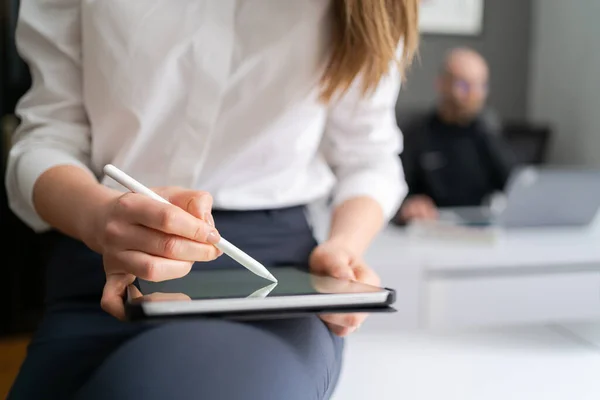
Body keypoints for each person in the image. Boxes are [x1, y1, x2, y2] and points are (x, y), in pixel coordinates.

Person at [5, 1, 419, 399]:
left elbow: (369, 156)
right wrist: (97, 216)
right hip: (110, 263)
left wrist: (344, 248)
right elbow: (47, 137)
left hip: (276, 281)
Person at [394, 47, 515, 224]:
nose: (474, 94)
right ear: (441, 84)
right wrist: (409, 205)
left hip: (477, 230)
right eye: (464, 86)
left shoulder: (486, 133)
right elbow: (393, 188)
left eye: (481, 86)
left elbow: (514, 184)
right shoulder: (416, 134)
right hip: (428, 229)